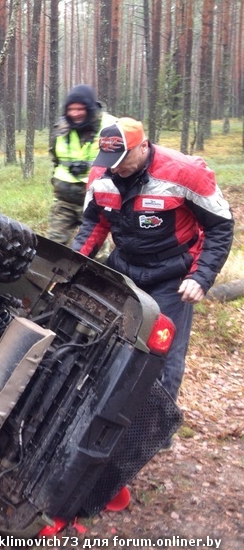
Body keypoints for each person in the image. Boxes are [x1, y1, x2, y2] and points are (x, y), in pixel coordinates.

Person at [72, 118, 234, 414]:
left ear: (143, 146)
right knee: (109, 340)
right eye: (110, 160)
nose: (116, 167)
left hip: (171, 274)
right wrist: (72, 263)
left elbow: (220, 226)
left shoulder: (185, 172)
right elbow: (94, 224)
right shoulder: (101, 175)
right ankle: (104, 414)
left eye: (122, 159)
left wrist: (201, 276)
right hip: (124, 269)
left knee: (162, 354)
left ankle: (153, 428)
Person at [47, 85, 117, 245]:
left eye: (80, 109)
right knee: (53, 247)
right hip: (65, 200)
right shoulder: (61, 128)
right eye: (71, 109)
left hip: (96, 202)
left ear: (90, 108)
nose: (75, 113)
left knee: (95, 252)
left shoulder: (110, 126)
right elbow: (55, 159)